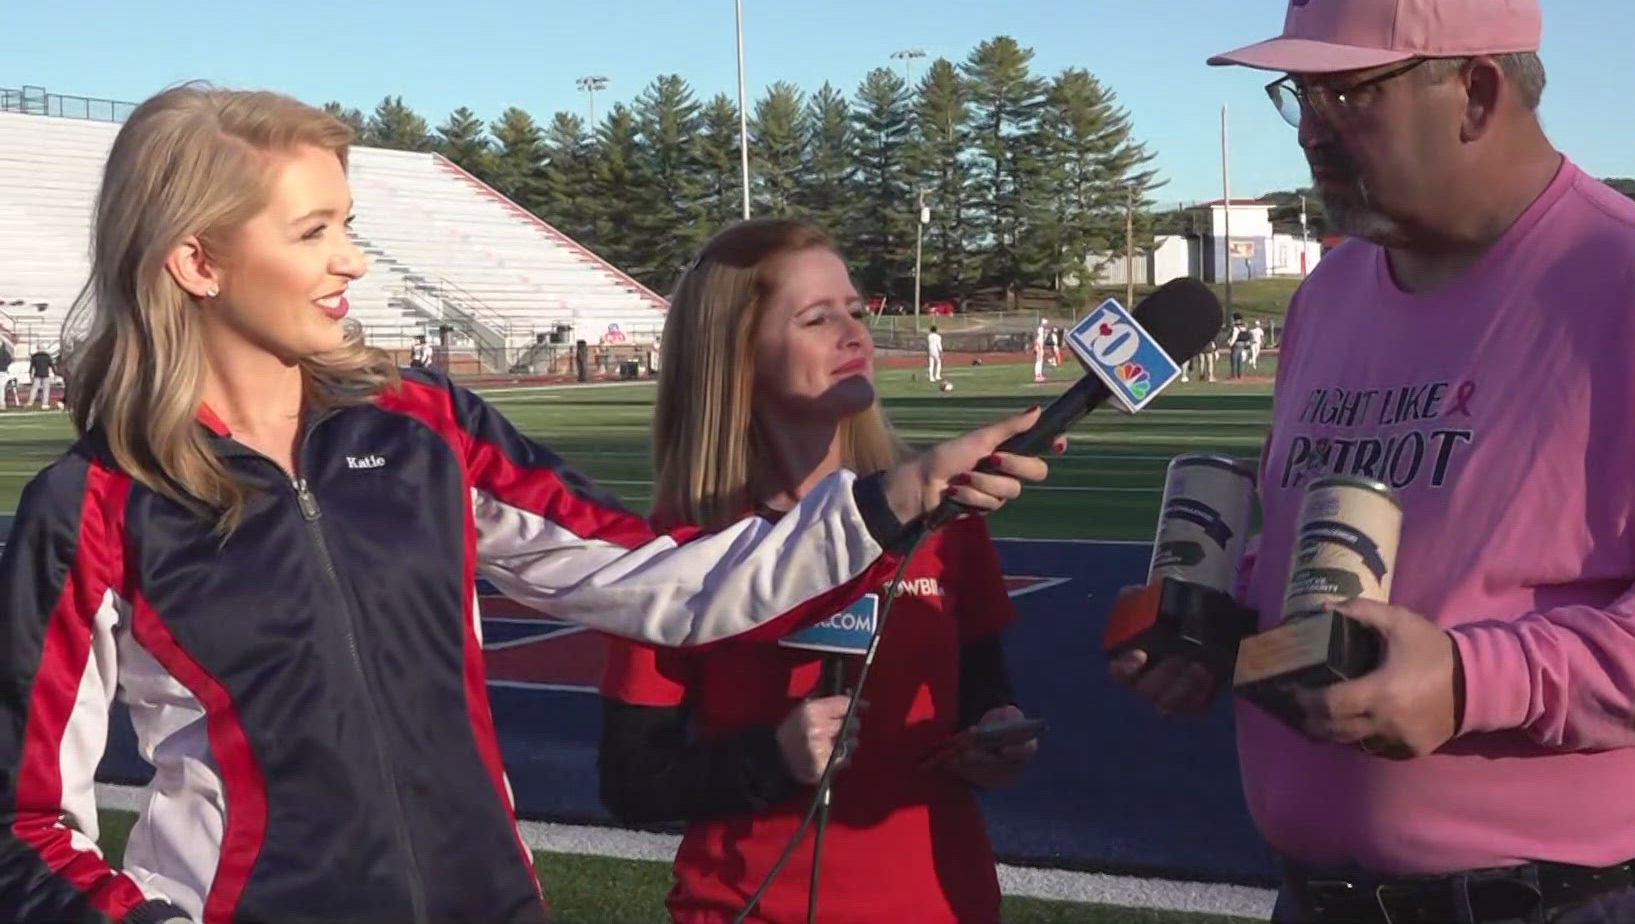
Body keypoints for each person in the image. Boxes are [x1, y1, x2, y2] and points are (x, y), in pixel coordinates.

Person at [0, 85, 1053, 924]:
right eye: (314, 231)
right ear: (198, 261)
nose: (353, 261)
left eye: (350, 224)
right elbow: (27, 822)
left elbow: (661, 584)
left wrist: (891, 499)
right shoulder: (91, 506)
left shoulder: (424, 428)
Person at [1111, 0, 1635, 924]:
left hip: (1579, 903)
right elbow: (1338, 552)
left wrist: (1473, 680)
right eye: (1297, 91)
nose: (1310, 124)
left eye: (1345, 91)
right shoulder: (1333, 292)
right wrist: (1219, 624)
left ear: (1477, 90)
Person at [599, 219, 1039, 923]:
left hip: (945, 902)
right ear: (736, 355)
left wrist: (997, 735)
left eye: (857, 312)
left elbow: (984, 689)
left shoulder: (946, 520)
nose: (855, 335)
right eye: (817, 318)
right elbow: (631, 780)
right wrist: (771, 760)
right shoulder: (676, 554)